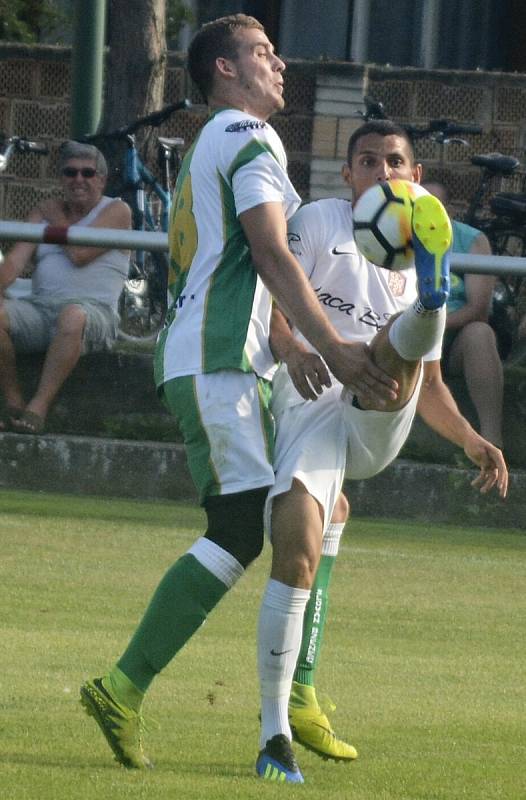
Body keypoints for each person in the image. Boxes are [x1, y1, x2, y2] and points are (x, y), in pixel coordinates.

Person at [79, 14, 399, 772]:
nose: (279, 63)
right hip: (217, 360)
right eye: (262, 52)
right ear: (224, 69)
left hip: (230, 357)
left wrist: (284, 340)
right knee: (240, 527)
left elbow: (235, 263)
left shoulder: (213, 142)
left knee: (322, 507)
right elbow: (266, 250)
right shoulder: (250, 138)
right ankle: (125, 687)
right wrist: (333, 346)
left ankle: (300, 694)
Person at [256, 120, 509, 783]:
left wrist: (471, 439)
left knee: (400, 334)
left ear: (415, 178)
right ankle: (275, 733)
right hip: (312, 398)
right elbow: (272, 301)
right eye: (368, 161)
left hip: (381, 406)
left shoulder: (410, 228)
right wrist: (292, 347)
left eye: (395, 162)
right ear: (349, 174)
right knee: (298, 539)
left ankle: (430, 294)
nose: (381, 172)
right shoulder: (317, 222)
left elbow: (431, 388)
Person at [0, 140, 132, 434]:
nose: (78, 180)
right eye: (70, 173)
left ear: (102, 179)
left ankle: (39, 408)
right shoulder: (42, 212)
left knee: (72, 316)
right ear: (61, 178)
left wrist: (55, 218)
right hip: (39, 308)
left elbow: (80, 254)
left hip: (93, 313)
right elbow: (15, 262)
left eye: (87, 173)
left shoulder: (117, 210)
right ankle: (12, 401)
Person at [422, 180, 504, 447]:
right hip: (407, 338)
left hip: (452, 339)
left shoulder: (471, 240)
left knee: (480, 333)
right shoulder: (394, 238)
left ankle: (492, 439)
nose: (426, 214)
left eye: (435, 207)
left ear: (449, 211)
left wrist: (430, 324)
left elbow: (478, 310)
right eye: (419, 207)